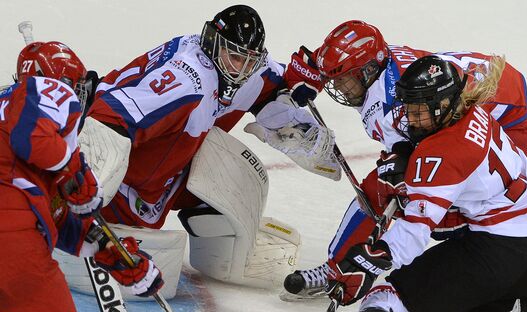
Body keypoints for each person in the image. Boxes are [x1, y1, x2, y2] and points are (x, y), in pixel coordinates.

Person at [278, 21, 527, 312]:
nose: (339, 87)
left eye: (344, 80)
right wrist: (309, 76)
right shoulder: (381, 64)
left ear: (368, 71)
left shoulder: (395, 108)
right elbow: (324, 62)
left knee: (500, 230)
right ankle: (338, 268)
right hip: (496, 106)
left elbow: (408, 176)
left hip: (514, 132)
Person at [74, 4, 338, 294]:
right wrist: (82, 187)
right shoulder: (188, 79)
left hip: (170, 169)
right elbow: (107, 121)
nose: (242, 69)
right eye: (236, 58)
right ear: (213, 43)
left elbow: (273, 81)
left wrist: (302, 83)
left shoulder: (243, 68)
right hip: (124, 184)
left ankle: (219, 243)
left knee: (233, 168)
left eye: (248, 61)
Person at [322, 55, 527, 312]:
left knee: (407, 286)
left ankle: (381, 310)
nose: (410, 117)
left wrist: (364, 263)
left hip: (503, 250)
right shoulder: (477, 114)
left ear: (443, 104)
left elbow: (415, 234)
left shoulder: (441, 152)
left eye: (418, 109)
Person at [1, 41, 163, 312]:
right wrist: (74, 171)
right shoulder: (44, 96)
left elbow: (50, 210)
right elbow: (32, 136)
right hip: (10, 243)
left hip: (14, 229)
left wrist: (110, 251)